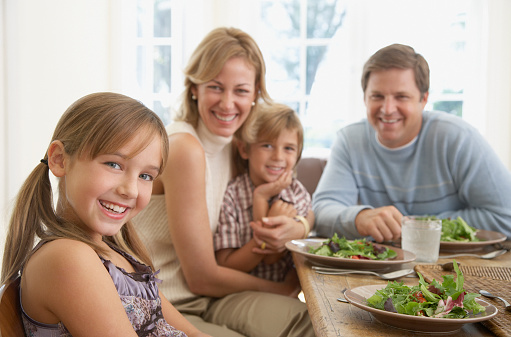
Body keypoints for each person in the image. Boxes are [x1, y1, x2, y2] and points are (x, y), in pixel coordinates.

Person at [132, 27, 314, 337]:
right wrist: (282, 288)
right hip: (171, 303)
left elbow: (297, 195)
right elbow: (202, 277)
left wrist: (300, 225)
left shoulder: (236, 147)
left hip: (216, 298)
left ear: (255, 94)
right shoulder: (184, 148)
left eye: (241, 90)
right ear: (194, 88)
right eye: (216, 87)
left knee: (310, 321)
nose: (228, 104)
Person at [1, 92, 209, 337]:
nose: (130, 190)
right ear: (59, 160)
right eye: (114, 164)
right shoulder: (68, 257)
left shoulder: (116, 254)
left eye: (145, 176)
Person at [313, 43, 511, 242]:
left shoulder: (458, 138)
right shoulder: (349, 141)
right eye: (377, 96)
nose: (388, 109)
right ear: (365, 98)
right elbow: (321, 212)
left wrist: (418, 225)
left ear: (423, 99)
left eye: (402, 97)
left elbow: (506, 216)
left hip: (457, 264)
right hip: (383, 264)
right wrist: (359, 218)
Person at [214, 103, 314, 282]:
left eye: (289, 148)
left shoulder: (297, 194)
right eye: (267, 145)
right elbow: (226, 264)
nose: (278, 157)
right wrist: (260, 198)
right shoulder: (232, 194)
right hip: (238, 289)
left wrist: (261, 198)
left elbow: (271, 258)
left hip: (282, 289)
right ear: (245, 149)